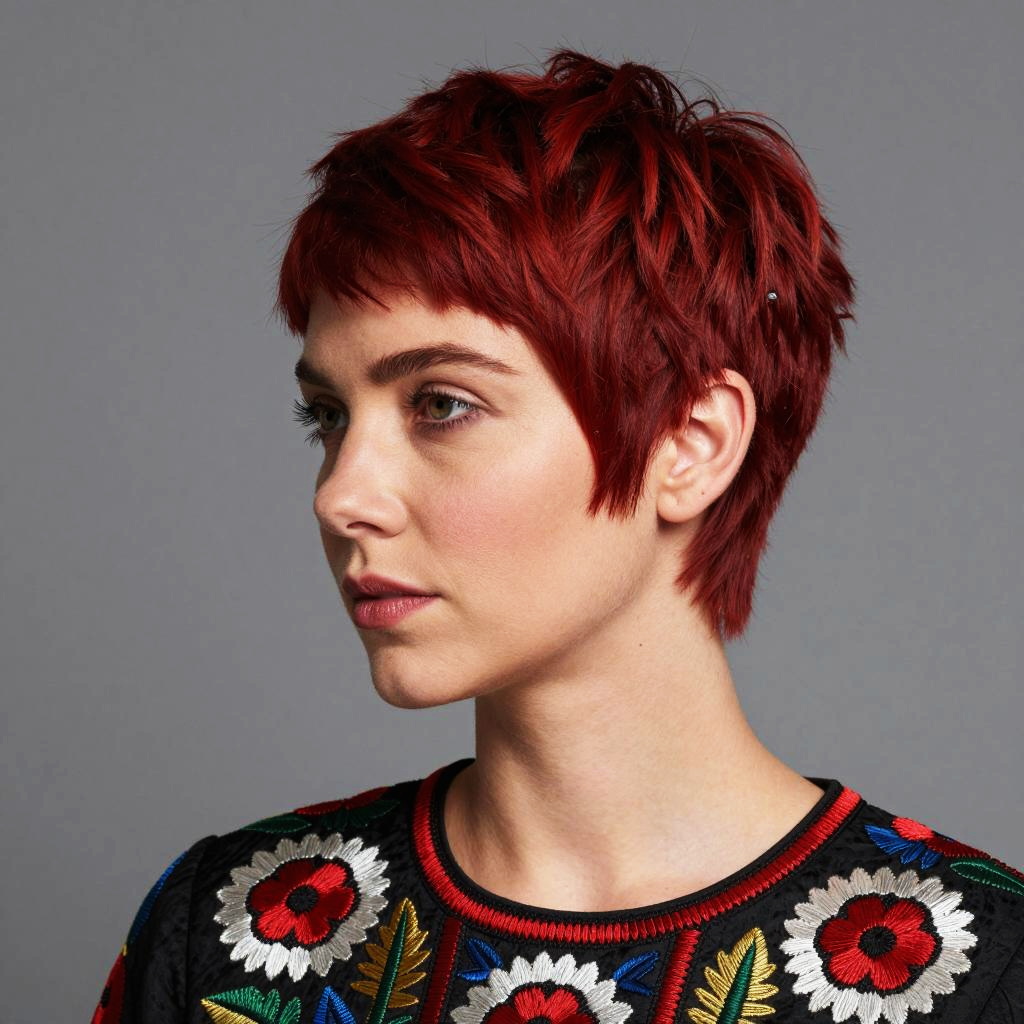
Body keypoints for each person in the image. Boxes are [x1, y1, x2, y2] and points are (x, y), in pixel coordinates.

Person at [90, 49, 1023, 1024]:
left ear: (690, 445)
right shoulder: (223, 933)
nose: (341, 496)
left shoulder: (986, 975)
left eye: (440, 404)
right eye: (327, 417)